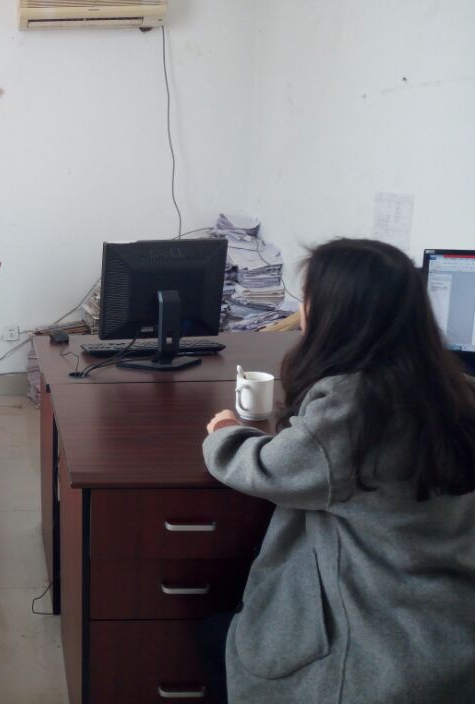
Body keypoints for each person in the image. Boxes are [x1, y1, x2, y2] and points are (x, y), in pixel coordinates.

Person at [200, 238, 475, 703]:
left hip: (380, 650)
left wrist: (225, 431)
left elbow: (266, 468)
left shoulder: (354, 407)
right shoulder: (457, 389)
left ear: (335, 314)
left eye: (308, 297)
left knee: (215, 635)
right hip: (452, 632)